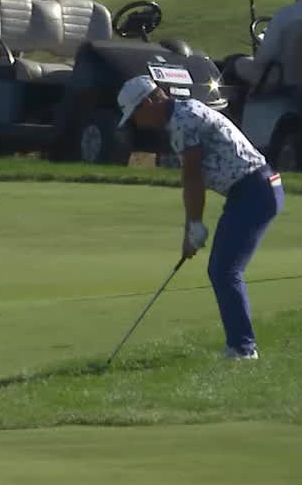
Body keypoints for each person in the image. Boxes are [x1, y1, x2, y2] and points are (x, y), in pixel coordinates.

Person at [118, 74, 283, 360]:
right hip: (252, 190)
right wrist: (190, 230)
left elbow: (192, 176)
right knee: (222, 269)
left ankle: (243, 349)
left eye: (136, 113)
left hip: (255, 190)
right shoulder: (183, 112)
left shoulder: (182, 121)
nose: (136, 122)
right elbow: (194, 177)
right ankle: (240, 346)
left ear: (148, 102)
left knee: (224, 270)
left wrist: (194, 226)